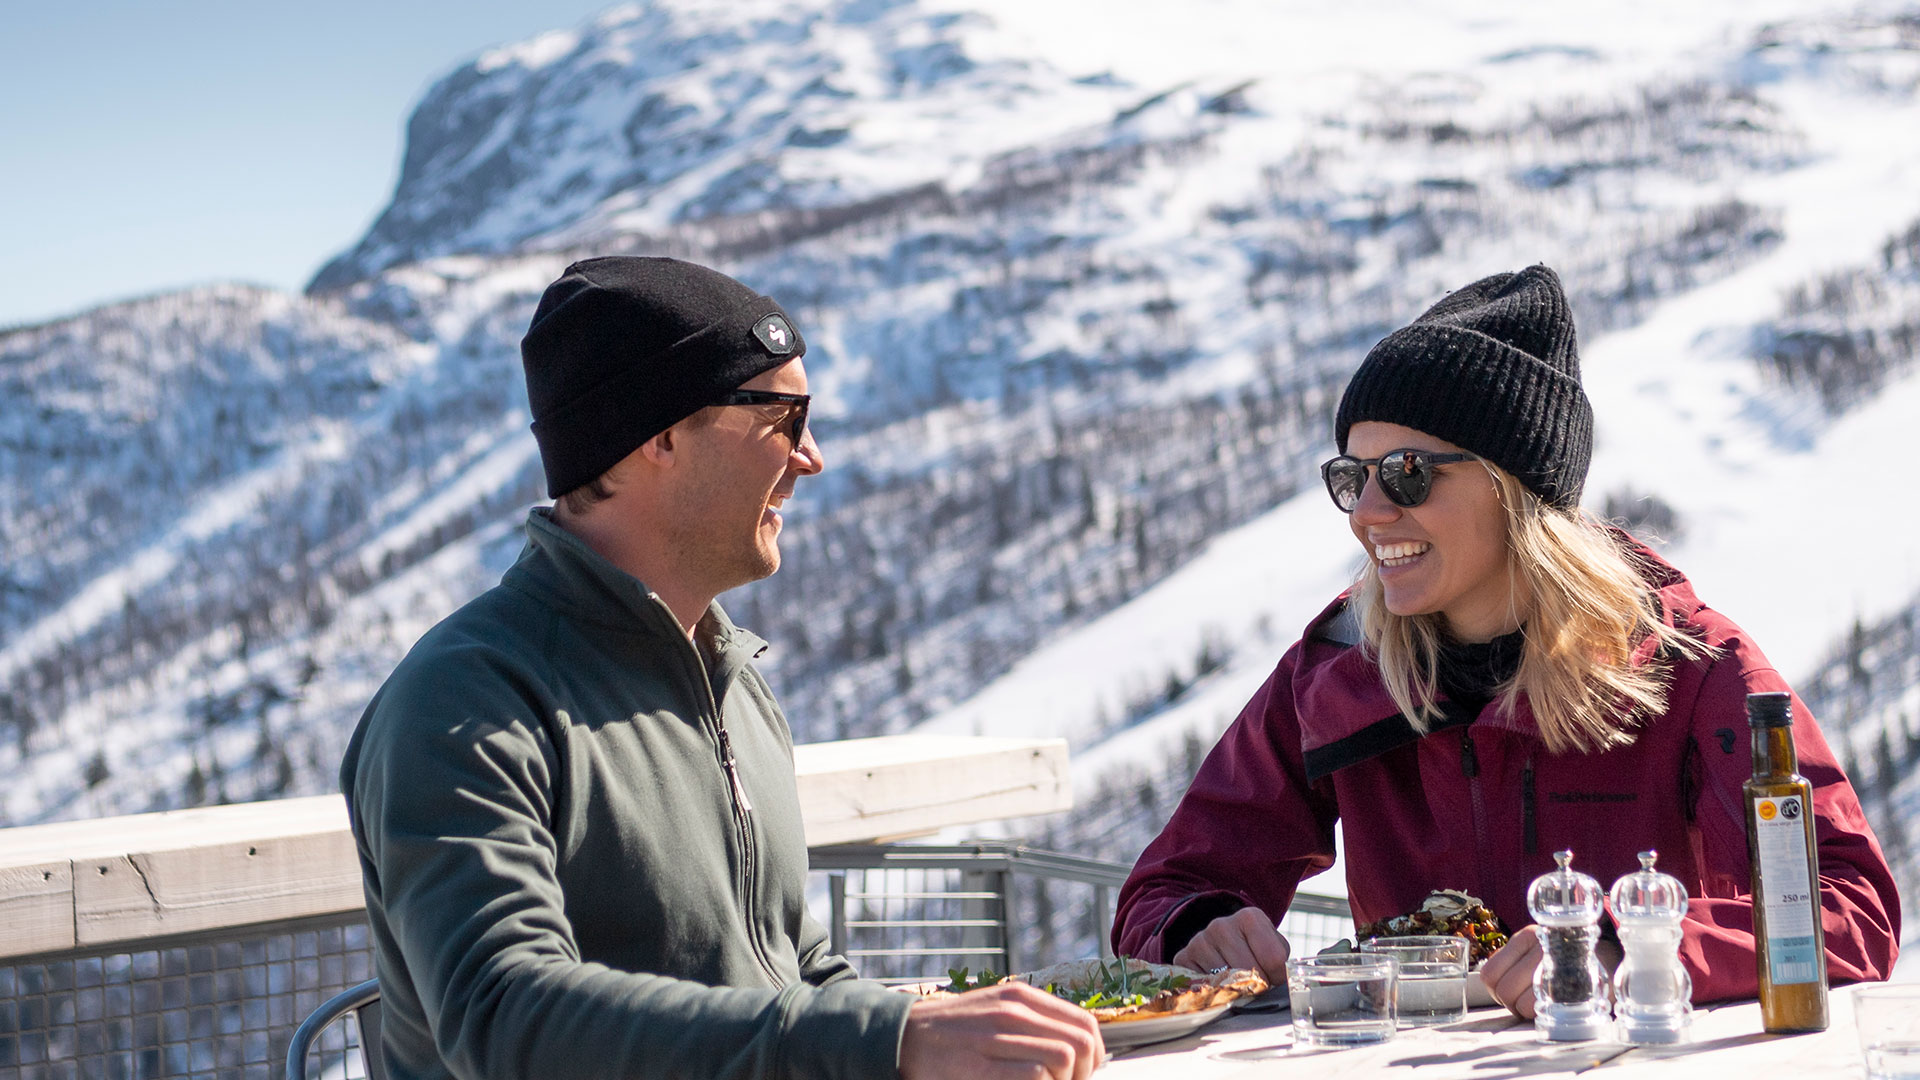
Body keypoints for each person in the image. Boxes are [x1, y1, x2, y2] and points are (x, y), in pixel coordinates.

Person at [341, 256, 1103, 1080]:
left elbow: (790, 963)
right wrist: (884, 1044)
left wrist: (916, 1039)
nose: (811, 457)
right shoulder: (467, 701)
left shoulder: (727, 676)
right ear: (659, 435)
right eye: (785, 416)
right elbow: (503, 1014)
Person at [1111, 265, 1901, 1016]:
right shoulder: (1340, 673)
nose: (1369, 512)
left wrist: (1634, 949)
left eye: (1410, 473)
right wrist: (1196, 928)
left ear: (1516, 487)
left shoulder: (1688, 666)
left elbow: (1847, 909)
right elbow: (1169, 887)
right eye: (1355, 477)